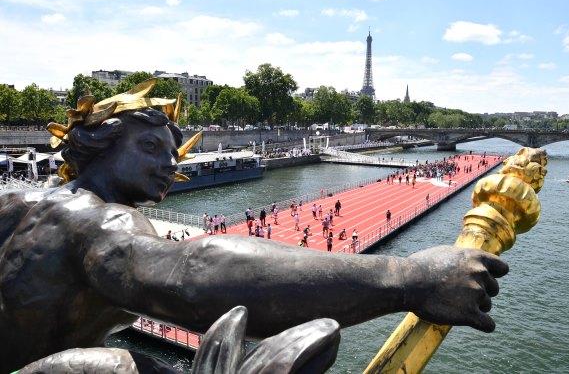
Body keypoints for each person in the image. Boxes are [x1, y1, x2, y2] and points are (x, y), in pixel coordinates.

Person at [0, 85, 509, 373]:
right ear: (101, 143)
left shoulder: (15, 200)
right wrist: (409, 277)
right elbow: (192, 274)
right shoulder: (99, 219)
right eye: (150, 149)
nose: (168, 166)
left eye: (174, 156)